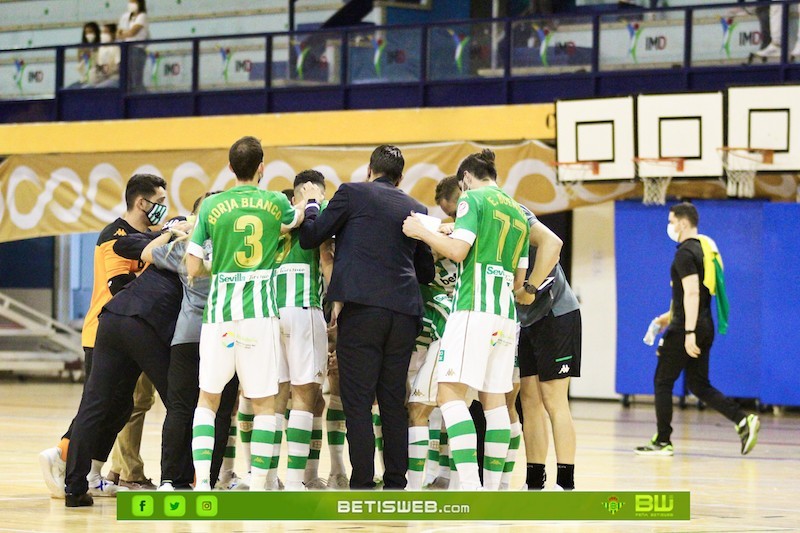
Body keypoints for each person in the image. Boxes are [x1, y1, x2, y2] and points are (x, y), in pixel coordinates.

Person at [297, 144, 435, 490]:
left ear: (369, 170)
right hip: (404, 312)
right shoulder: (416, 208)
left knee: (357, 400)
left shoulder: (352, 193)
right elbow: (426, 271)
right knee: (392, 400)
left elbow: (311, 236)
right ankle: (395, 481)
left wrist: (313, 204)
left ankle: (361, 482)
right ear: (400, 177)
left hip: (362, 310)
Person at [402, 149, 530, 491]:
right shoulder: (518, 211)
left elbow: (458, 252)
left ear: (466, 180)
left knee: (449, 396)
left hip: (473, 310)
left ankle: (471, 487)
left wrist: (421, 231)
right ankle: (493, 488)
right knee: (496, 400)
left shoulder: (472, 199)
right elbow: (520, 280)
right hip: (506, 314)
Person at [38, 173, 166, 499]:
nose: (162, 209)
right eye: (159, 203)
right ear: (141, 202)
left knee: (122, 407)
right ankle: (60, 454)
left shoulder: (147, 235)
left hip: (130, 334)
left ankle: (93, 474)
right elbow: (119, 286)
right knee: (96, 406)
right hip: (103, 331)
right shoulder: (116, 235)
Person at [187, 136, 303, 492]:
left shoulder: (211, 207)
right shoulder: (273, 203)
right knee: (265, 402)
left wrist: (218, 266)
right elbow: (297, 218)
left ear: (229, 168)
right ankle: (257, 485)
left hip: (219, 316)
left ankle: (204, 485)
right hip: (259, 315)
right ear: (262, 168)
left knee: (208, 398)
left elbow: (192, 267)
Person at [63, 216, 192, 507]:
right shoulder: (195, 248)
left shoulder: (160, 246)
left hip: (112, 318)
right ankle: (177, 481)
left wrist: (168, 233)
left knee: (94, 405)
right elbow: (123, 243)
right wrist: (172, 233)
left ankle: (74, 487)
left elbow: (127, 245)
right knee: (179, 402)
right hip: (145, 324)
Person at [119, 192, 241, 492]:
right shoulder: (236, 248)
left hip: (187, 335)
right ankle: (208, 480)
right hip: (227, 335)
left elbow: (145, 253)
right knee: (221, 410)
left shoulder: (186, 246)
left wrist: (174, 231)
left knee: (180, 408)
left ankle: (172, 479)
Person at [635, 202, 761, 456]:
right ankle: (742, 420)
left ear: (682, 223)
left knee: (662, 381)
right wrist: (664, 319)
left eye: (671, 221)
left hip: (688, 329)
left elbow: (692, 292)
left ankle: (663, 441)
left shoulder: (684, 253)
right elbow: (692, 297)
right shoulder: (704, 251)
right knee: (698, 385)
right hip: (703, 324)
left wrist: (688, 332)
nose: (669, 226)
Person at [272, 171, 333, 491]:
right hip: (303, 310)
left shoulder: (275, 220)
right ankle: (298, 481)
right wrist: (337, 304)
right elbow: (326, 259)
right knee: (306, 396)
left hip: (270, 314)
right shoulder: (316, 216)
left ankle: (267, 480)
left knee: (274, 398)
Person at [117, 0, 150, 91]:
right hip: (126, 48)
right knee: (128, 80)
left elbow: (132, 32)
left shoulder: (142, 16)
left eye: (134, 2)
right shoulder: (126, 17)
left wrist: (124, 33)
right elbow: (118, 33)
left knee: (136, 79)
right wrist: (124, 33)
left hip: (137, 49)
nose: (131, 4)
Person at [94, 24, 121, 88]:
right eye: (102, 32)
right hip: (102, 78)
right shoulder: (100, 48)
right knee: (87, 88)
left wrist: (110, 69)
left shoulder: (117, 47)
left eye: (106, 32)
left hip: (115, 78)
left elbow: (119, 66)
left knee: (99, 88)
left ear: (113, 34)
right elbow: (99, 66)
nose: (103, 34)